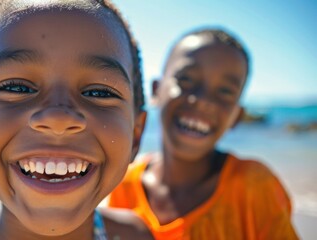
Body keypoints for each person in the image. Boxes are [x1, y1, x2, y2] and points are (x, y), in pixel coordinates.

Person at [0, 0, 153, 239]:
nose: (58, 118)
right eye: (16, 88)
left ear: (135, 135)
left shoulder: (135, 234)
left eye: (100, 93)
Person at [108, 28, 299, 239]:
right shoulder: (123, 185)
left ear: (237, 116)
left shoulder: (254, 186)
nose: (204, 101)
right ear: (156, 90)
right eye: (187, 80)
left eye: (225, 91)